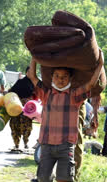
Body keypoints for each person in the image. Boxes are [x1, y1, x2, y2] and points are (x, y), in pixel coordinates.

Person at [27, 53, 103, 182]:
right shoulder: (46, 94)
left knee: (65, 178)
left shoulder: (74, 96)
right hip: (46, 145)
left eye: (64, 77)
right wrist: (34, 57)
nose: (60, 79)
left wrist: (100, 64)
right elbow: (32, 76)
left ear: (70, 78)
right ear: (51, 77)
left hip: (65, 146)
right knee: (43, 178)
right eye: (57, 76)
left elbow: (90, 84)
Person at [9, 67, 35, 150]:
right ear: (27, 72)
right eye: (30, 71)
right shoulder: (20, 82)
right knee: (14, 124)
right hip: (17, 107)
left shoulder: (34, 83)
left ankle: (26, 142)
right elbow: (11, 91)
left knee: (27, 126)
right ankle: (16, 144)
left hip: (28, 108)